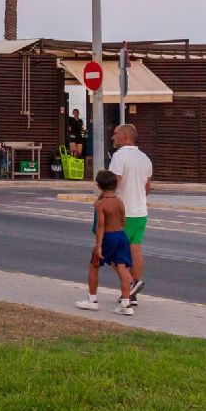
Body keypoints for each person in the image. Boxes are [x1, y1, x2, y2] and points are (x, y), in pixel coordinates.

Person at [76, 170, 136, 316]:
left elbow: (100, 226)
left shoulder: (101, 205)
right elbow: (123, 221)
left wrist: (99, 246)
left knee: (94, 266)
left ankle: (92, 299)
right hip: (121, 236)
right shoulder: (119, 202)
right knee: (123, 269)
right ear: (115, 185)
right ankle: (126, 303)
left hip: (107, 237)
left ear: (99, 186)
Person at [109, 123, 152, 305]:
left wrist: (104, 201)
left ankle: (130, 284)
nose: (112, 137)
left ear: (125, 137)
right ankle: (131, 295)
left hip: (122, 212)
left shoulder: (119, 157)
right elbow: (147, 188)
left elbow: (114, 183)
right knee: (135, 249)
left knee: (110, 252)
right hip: (140, 211)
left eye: (115, 134)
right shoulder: (145, 159)